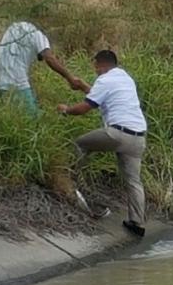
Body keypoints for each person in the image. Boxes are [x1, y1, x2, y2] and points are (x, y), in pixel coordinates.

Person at [57, 50, 147, 237]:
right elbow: (102, 97)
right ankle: (137, 223)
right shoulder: (125, 78)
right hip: (138, 137)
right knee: (133, 181)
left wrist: (66, 110)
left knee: (80, 144)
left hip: (117, 134)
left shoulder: (104, 80)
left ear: (100, 64)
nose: (95, 70)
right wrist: (83, 87)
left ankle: (69, 182)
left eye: (95, 66)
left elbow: (85, 108)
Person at [0, 21, 86, 114]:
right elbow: (49, 58)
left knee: (9, 117)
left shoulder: (14, 27)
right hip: (16, 84)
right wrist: (70, 78)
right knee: (33, 122)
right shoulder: (37, 34)